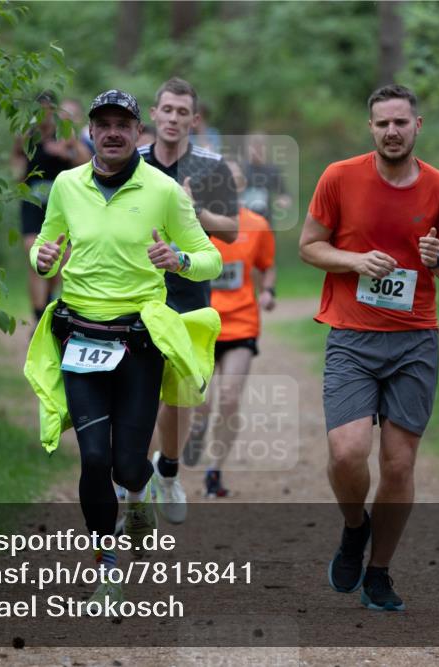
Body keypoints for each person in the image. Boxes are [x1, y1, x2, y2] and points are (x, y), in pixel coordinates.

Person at [25, 90, 222, 606]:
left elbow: (210, 261)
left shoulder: (164, 191)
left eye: (122, 124)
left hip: (137, 340)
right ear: (90, 131)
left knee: (129, 466)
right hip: (79, 333)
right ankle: (104, 565)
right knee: (93, 459)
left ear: (139, 133)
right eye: (102, 123)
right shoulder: (66, 185)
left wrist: (177, 257)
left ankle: (139, 491)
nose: (112, 132)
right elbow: (45, 252)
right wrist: (42, 259)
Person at [298, 84, 439, 612]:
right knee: (347, 453)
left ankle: (379, 572)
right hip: (351, 335)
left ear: (418, 126)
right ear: (370, 128)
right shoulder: (339, 177)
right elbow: (308, 246)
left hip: (415, 339)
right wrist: (354, 261)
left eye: (401, 122)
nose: (392, 131)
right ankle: (356, 528)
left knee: (398, 466)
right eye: (382, 124)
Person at [139, 77, 239, 524]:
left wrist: (194, 212)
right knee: (136, 392)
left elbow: (233, 230)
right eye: (168, 110)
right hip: (137, 293)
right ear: (154, 115)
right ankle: (133, 486)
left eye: (183, 111)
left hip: (190, 295)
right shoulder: (132, 164)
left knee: (180, 396)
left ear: (194, 120)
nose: (174, 118)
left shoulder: (212, 168)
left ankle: (170, 468)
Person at [183, 161, 276, 499]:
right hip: (202, 322)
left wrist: (269, 290)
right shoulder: (195, 222)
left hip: (242, 322)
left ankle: (215, 470)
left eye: (235, 180)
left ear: (241, 186)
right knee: (201, 402)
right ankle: (195, 431)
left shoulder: (258, 225)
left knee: (230, 398)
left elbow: (268, 267)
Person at [12, 91, 91, 327]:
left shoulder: (66, 136)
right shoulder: (28, 135)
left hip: (61, 206)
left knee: (57, 263)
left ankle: (47, 300)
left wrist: (70, 143)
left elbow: (86, 163)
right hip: (33, 203)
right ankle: (38, 319)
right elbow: (16, 157)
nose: (44, 115)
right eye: (40, 110)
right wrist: (16, 176)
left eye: (49, 110)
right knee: (33, 255)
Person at [242, 133, 291, 221]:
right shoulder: (242, 168)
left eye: (259, 148)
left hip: (265, 219)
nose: (256, 151)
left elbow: (283, 192)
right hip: (244, 219)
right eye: (253, 147)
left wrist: (283, 200)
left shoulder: (272, 170)